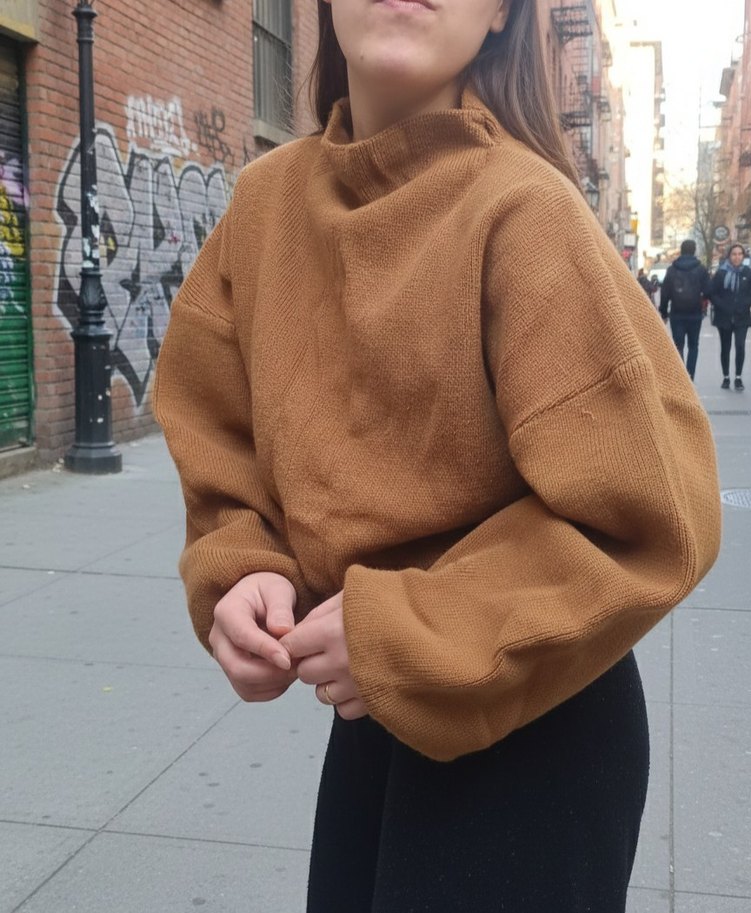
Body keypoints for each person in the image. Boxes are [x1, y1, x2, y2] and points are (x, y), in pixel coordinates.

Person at [153, 2, 721, 911]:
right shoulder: (263, 209)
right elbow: (217, 428)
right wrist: (243, 564)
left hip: (537, 734)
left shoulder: (524, 209)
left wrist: (411, 627)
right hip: (375, 713)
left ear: (501, 13)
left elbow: (652, 513)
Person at [659, 239, 711, 381]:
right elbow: (708, 290)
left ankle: (681, 377)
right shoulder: (701, 269)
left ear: (681, 251)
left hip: (677, 314)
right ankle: (690, 376)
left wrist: (664, 312)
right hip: (695, 313)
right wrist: (702, 299)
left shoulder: (672, 269)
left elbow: (665, 293)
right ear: (694, 251)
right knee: (693, 346)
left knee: (678, 346)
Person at [709, 242, 751, 390]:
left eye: (740, 254)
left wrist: (745, 304)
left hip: (742, 317)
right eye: (734, 254)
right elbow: (712, 293)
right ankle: (726, 377)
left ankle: (738, 378)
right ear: (729, 256)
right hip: (724, 316)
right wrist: (722, 305)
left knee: (740, 346)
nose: (737, 257)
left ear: (743, 256)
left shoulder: (747, 272)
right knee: (725, 347)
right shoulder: (721, 273)